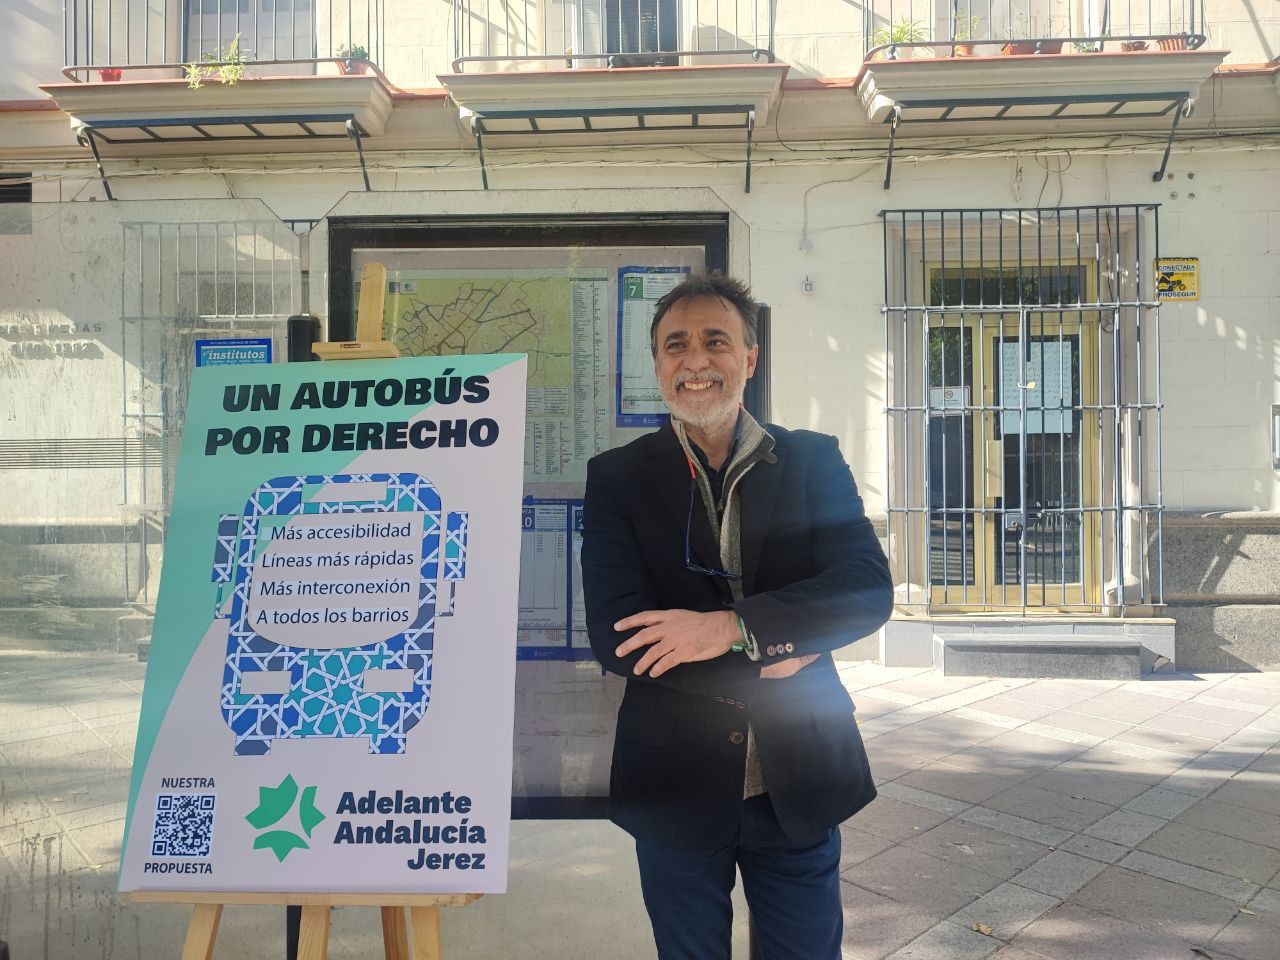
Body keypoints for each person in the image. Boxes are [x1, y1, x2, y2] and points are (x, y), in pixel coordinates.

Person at [581, 273, 893, 960]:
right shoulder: (616, 479)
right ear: (658, 365)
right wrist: (792, 630)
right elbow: (619, 637)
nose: (695, 360)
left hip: (801, 774)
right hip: (674, 784)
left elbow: (867, 590)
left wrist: (728, 628)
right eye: (675, 345)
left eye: (715, 341)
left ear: (749, 358)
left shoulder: (813, 460)